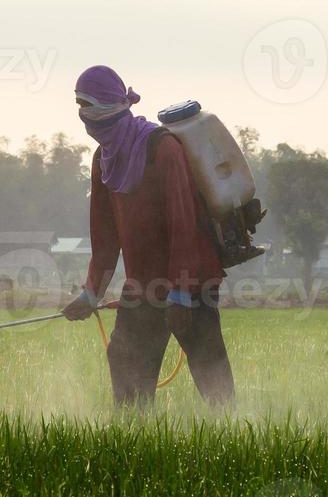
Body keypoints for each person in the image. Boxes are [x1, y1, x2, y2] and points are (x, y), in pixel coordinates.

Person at [61, 65, 236, 408]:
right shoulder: (103, 160)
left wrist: (181, 294)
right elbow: (105, 237)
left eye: (90, 106)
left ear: (113, 106)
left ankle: (234, 436)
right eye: (79, 107)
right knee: (125, 364)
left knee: (210, 371)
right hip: (142, 284)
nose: (85, 117)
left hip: (191, 282)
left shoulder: (162, 149)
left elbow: (183, 224)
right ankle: (134, 443)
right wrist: (90, 291)